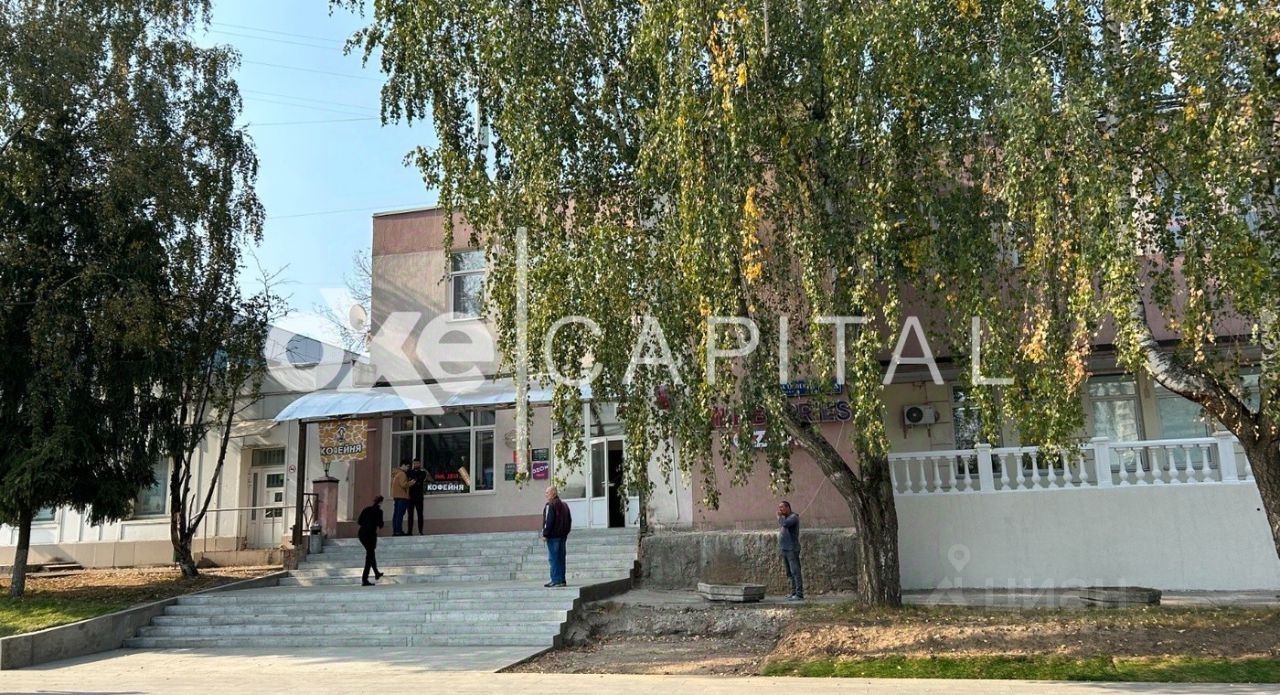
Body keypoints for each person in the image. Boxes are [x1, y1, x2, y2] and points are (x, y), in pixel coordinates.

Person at [541, 486, 571, 587]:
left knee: (553, 558)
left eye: (547, 492)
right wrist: (566, 532)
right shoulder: (564, 505)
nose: (546, 494)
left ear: (553, 493)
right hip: (562, 536)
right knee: (561, 558)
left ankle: (555, 580)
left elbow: (548, 521)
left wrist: (545, 534)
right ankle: (562, 580)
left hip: (553, 536)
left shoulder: (550, 505)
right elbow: (569, 520)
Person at [777, 501, 803, 600]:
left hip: (792, 548)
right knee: (790, 572)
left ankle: (799, 594)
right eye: (779, 507)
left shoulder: (793, 517)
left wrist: (779, 517)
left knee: (795, 571)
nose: (780, 509)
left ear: (788, 507)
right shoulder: (786, 518)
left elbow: (784, 524)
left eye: (782, 507)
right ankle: (793, 592)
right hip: (785, 548)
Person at [357, 495, 385, 586]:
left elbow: (359, 521)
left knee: (371, 554)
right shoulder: (379, 512)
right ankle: (364, 579)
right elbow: (380, 525)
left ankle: (376, 573)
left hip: (362, 534)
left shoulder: (366, 509)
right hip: (370, 535)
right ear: (381, 503)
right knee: (369, 556)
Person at [390, 460, 413, 536]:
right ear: (403, 465)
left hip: (396, 496)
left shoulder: (396, 473)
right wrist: (411, 483)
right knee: (400, 514)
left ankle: (395, 530)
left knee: (396, 514)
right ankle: (399, 531)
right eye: (407, 466)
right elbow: (403, 484)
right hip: (402, 496)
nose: (408, 468)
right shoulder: (402, 474)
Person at [406, 458, 427, 535]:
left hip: (419, 496)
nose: (416, 464)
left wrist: (413, 480)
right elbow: (408, 480)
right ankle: (409, 531)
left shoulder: (423, 472)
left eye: (417, 463)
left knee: (420, 514)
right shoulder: (409, 472)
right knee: (410, 515)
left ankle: (420, 531)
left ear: (420, 464)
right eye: (414, 463)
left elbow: (420, 479)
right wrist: (414, 480)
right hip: (411, 496)